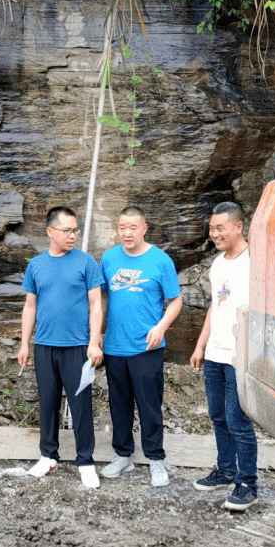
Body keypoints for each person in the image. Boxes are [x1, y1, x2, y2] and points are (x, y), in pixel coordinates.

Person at [17, 206, 104, 488]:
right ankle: (48, 456)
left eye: (75, 230)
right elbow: (30, 306)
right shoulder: (37, 265)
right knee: (48, 403)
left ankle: (85, 461)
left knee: (80, 405)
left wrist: (94, 342)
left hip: (77, 347)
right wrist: (24, 344)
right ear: (50, 232)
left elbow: (95, 305)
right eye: (67, 231)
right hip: (44, 346)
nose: (73, 235)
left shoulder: (86, 262)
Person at [99, 207, 183, 488]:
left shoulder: (160, 260)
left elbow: (176, 301)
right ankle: (123, 456)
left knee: (149, 406)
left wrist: (160, 327)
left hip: (147, 348)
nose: (127, 233)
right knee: (118, 405)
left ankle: (156, 459)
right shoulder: (109, 259)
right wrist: (97, 333)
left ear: (144, 228)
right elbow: (101, 299)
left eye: (132, 227)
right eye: (122, 227)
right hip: (114, 346)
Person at [190, 201, 258, 511]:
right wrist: (200, 345)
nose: (213, 233)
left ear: (238, 226)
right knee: (218, 415)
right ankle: (226, 470)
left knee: (237, 419)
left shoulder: (256, 262)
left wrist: (253, 314)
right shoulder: (218, 264)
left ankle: (248, 483)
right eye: (212, 228)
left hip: (241, 355)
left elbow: (273, 305)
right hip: (216, 351)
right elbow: (216, 307)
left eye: (220, 228)